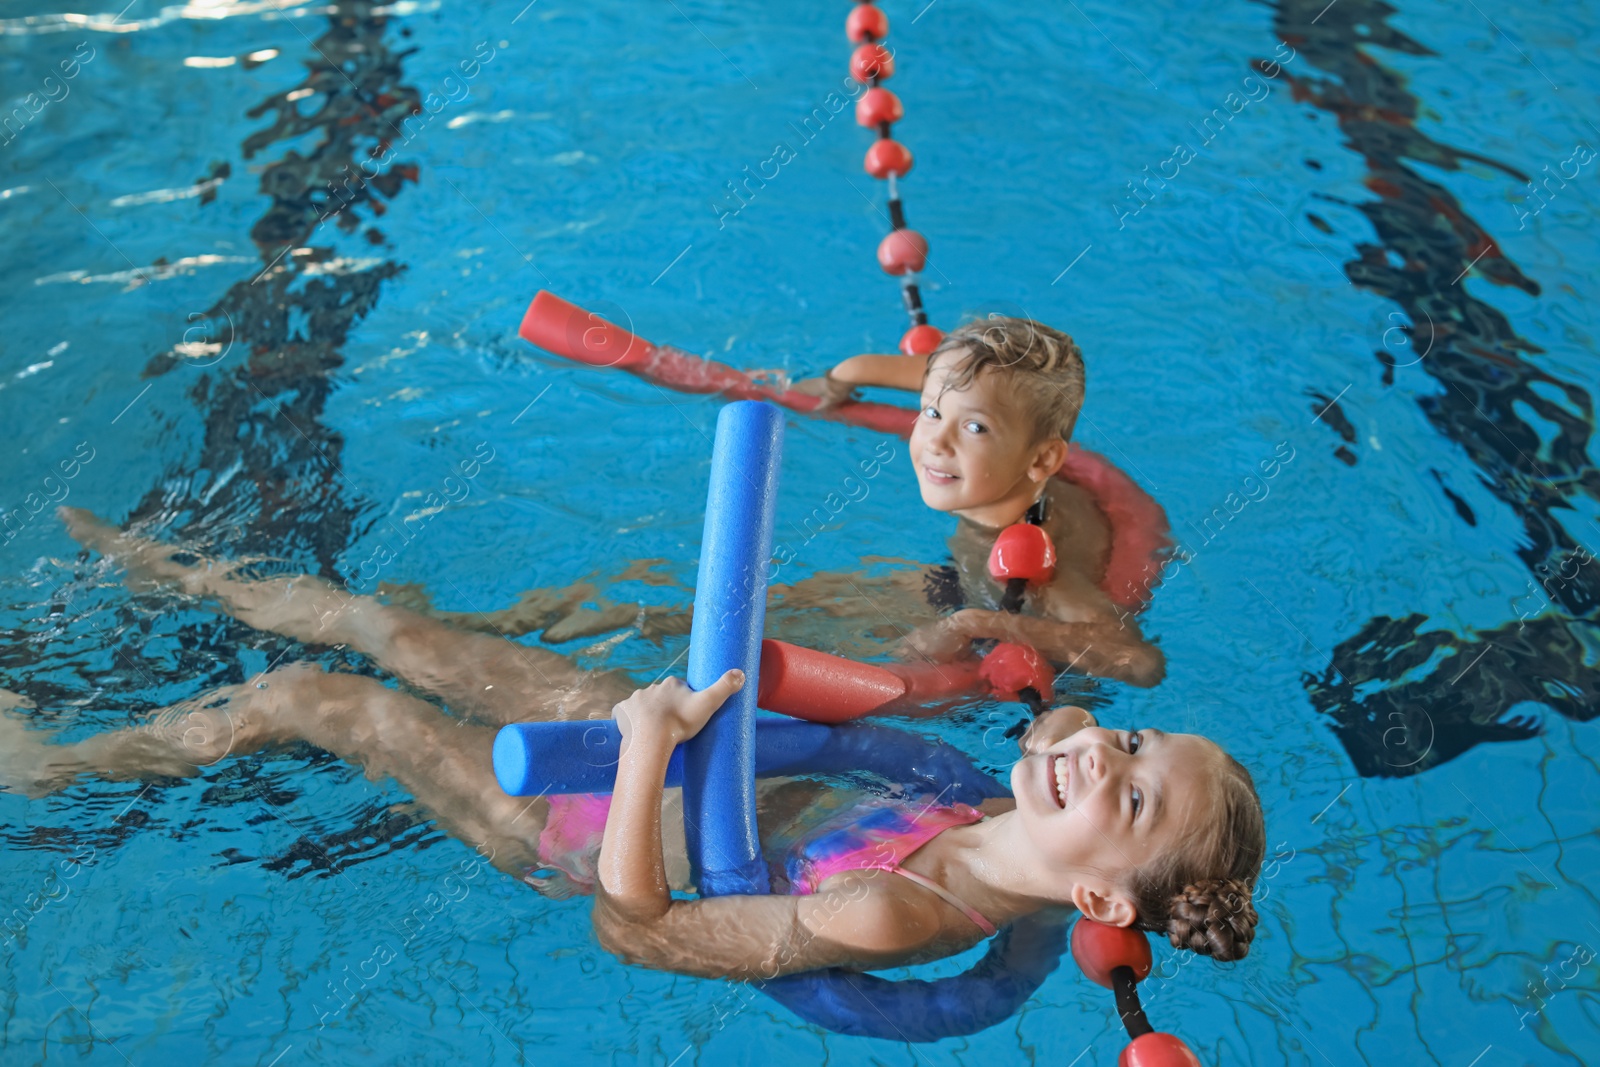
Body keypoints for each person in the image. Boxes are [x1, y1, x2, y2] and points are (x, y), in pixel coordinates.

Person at [0, 507, 1262, 980]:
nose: (1108, 758)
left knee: (321, 699)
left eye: (1138, 798)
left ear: (1103, 887)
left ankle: (46, 763)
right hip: (666, 738)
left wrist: (651, 744)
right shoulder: (1014, 817)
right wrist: (1070, 712)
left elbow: (639, 932)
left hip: (587, 825)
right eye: (1136, 742)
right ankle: (169, 568)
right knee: (396, 629)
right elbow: (1063, 724)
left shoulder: (899, 914)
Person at [794, 317, 1166, 686]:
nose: (937, 443)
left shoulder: (1042, 577)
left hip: (983, 601)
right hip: (958, 577)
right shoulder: (997, 447)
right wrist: (839, 380)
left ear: (1041, 460)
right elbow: (941, 383)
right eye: (933, 412)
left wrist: (972, 624)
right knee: (795, 602)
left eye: (975, 428)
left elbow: (1138, 663)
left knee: (800, 613)